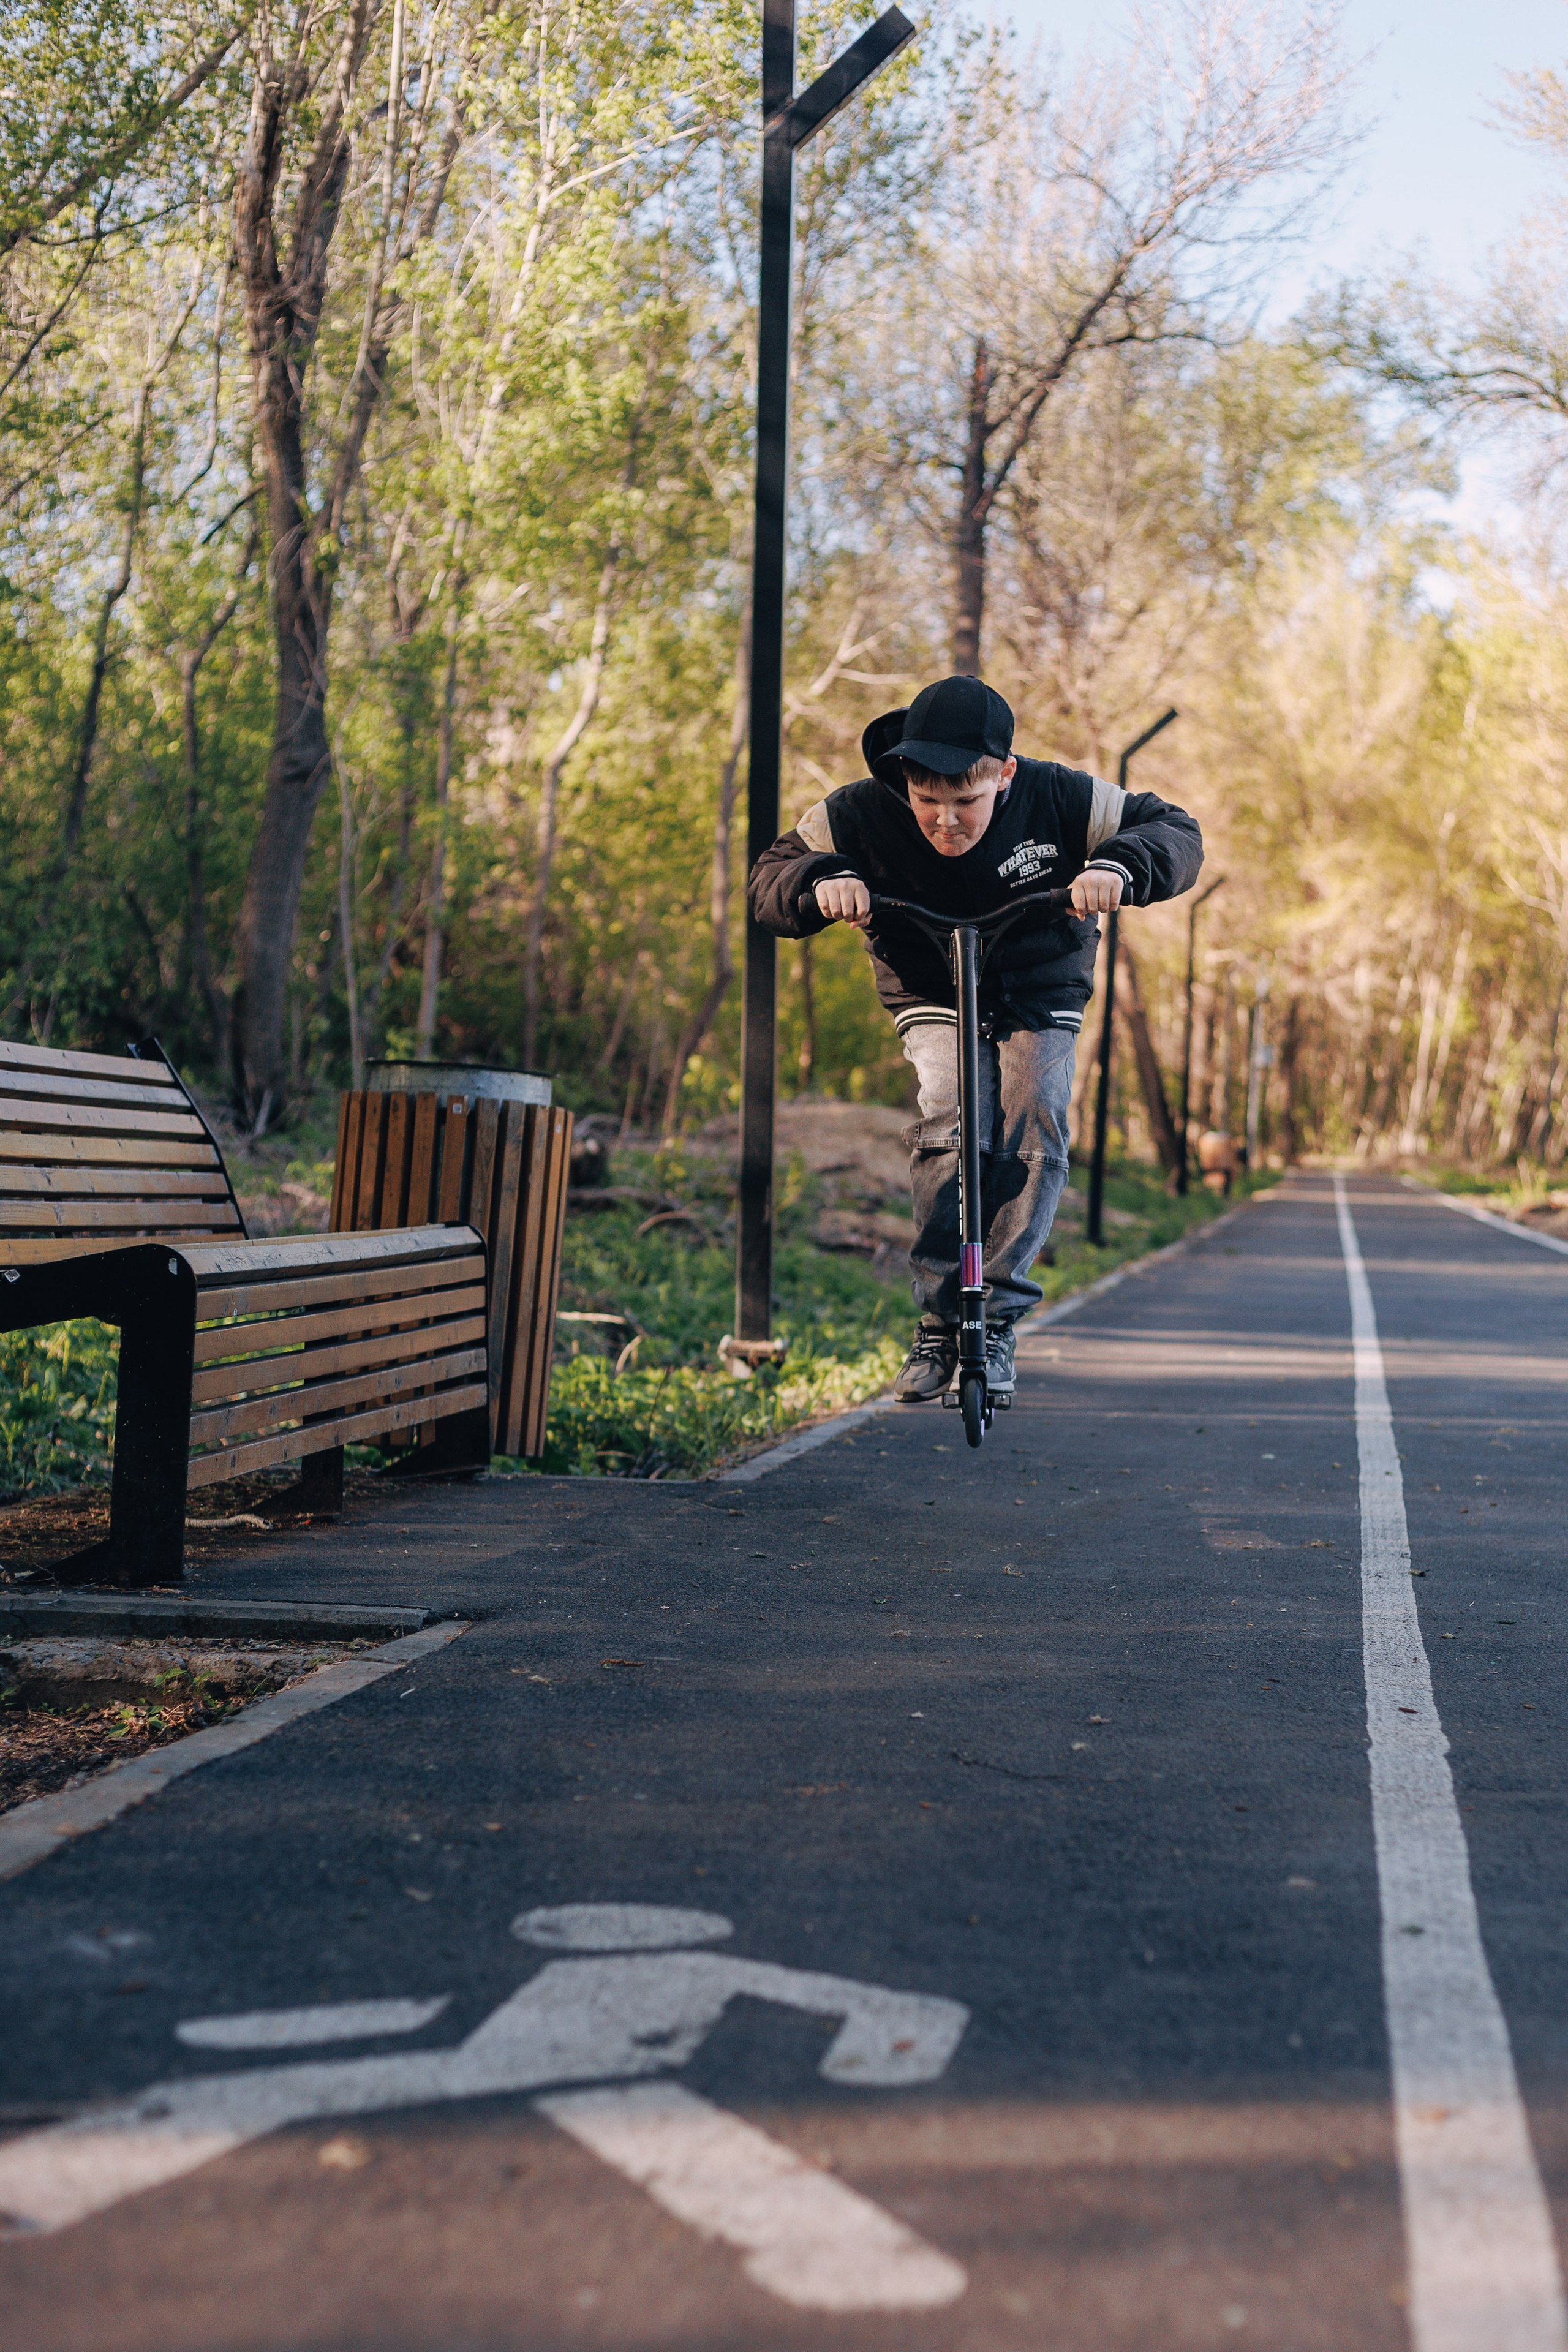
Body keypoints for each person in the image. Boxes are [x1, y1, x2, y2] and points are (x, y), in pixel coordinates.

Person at [747, 673, 1202, 1402]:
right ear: (904, 778)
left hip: (1038, 985)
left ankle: (994, 1315)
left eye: (966, 801)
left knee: (1035, 1110)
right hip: (932, 986)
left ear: (1004, 774)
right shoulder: (859, 812)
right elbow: (770, 878)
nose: (945, 821)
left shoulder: (1061, 796)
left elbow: (1175, 830)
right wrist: (821, 878)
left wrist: (1118, 865)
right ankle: (938, 1320)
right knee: (950, 1115)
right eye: (927, 800)